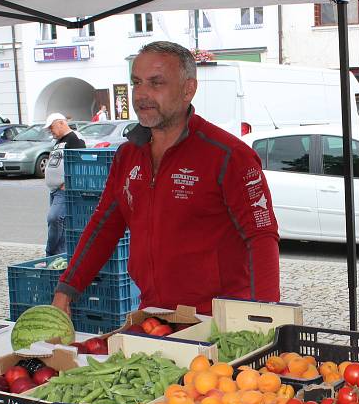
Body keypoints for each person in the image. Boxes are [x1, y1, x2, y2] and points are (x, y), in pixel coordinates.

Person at [52, 41, 280, 315]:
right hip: (155, 315)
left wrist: (264, 317)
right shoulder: (127, 155)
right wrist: (67, 288)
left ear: (188, 89)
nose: (142, 94)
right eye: (137, 82)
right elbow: (103, 226)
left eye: (156, 83)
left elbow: (261, 237)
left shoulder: (229, 155)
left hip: (219, 322)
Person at [44, 113, 86, 256]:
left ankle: (50, 253)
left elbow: (81, 162)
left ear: (61, 123)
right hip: (55, 190)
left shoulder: (75, 138)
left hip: (64, 189)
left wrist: (70, 182)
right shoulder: (59, 141)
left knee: (55, 218)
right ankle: (60, 256)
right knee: (61, 224)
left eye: (52, 128)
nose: (51, 131)